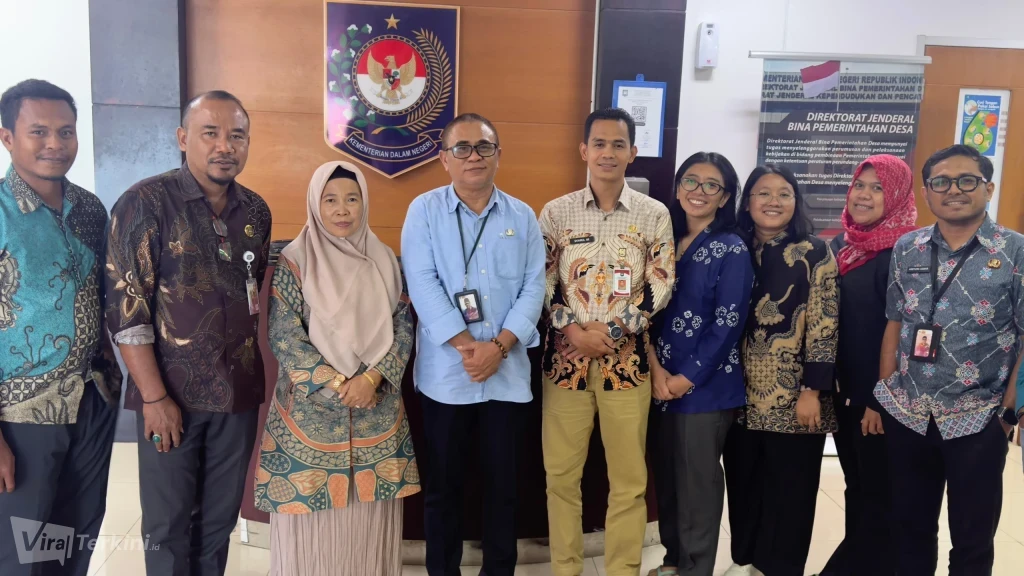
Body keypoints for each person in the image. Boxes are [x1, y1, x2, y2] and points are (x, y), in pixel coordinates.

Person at [105, 90, 272, 576]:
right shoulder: (144, 203)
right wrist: (154, 398)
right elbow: (127, 312)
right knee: (168, 526)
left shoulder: (255, 211)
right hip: (171, 397)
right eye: (210, 133)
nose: (225, 146)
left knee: (217, 523)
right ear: (183, 138)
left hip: (237, 397)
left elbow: (250, 292)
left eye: (237, 136)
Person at [256, 161, 418, 576]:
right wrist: (336, 382)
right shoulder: (295, 261)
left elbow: (403, 327)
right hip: (309, 416)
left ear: (364, 203)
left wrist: (371, 379)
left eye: (351, 199)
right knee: (311, 527)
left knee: (367, 524)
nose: (342, 209)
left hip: (376, 409)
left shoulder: (384, 260)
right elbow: (284, 334)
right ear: (315, 205)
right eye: (330, 200)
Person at [401, 113, 546, 576]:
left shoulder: (523, 216)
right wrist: (470, 348)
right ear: (444, 159)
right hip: (448, 378)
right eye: (461, 148)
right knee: (444, 488)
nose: (473, 157)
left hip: (507, 376)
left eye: (483, 147)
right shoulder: (424, 211)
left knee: (504, 489)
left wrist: (497, 349)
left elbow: (534, 287)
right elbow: (422, 284)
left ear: (498, 155)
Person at [875, 144, 1023, 576]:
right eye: (941, 182)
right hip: (909, 415)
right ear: (926, 192)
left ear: (988, 188)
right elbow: (894, 321)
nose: (953, 190)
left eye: (966, 180)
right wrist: (887, 392)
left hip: (978, 419)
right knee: (909, 533)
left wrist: (1007, 414)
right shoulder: (908, 246)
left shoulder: (1014, 251)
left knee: (972, 543)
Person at [539, 108, 675, 576]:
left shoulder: (654, 214)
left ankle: (622, 570)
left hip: (627, 367)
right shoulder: (555, 212)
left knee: (629, 483)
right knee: (561, 479)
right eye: (599, 143)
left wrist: (613, 332)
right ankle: (565, 570)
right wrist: (574, 331)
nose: (608, 153)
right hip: (565, 365)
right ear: (584, 150)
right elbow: (542, 281)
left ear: (633, 152)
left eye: (618, 144)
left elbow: (660, 282)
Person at [0, 79, 121, 576]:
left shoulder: (90, 209)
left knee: (75, 535)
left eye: (66, 131)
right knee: (21, 549)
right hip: (21, 412)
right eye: (39, 132)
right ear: (8, 138)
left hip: (93, 397)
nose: (55, 143)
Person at [722, 165, 839, 576]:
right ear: (747, 201)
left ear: (796, 201)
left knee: (790, 494)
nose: (773, 201)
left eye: (784, 193)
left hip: (793, 398)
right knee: (744, 486)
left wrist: (812, 391)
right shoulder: (732, 247)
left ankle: (781, 568)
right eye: (763, 193)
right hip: (736, 398)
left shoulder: (815, 252)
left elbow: (825, 324)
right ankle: (748, 562)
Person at [647, 152, 754, 576]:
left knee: (698, 486)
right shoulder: (663, 238)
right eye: (691, 181)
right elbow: (645, 311)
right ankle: (673, 560)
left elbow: (728, 323)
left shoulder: (732, 248)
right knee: (668, 481)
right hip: (657, 382)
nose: (699, 191)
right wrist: (657, 372)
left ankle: (695, 568)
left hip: (704, 388)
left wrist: (684, 379)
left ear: (725, 197)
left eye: (712, 185)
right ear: (677, 187)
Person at [819, 155, 917, 576]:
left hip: (878, 400)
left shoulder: (904, 253)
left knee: (879, 494)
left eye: (878, 188)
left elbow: (905, 334)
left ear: (896, 197)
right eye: (860, 184)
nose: (864, 195)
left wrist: (881, 399)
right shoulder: (842, 247)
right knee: (857, 486)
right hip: (845, 393)